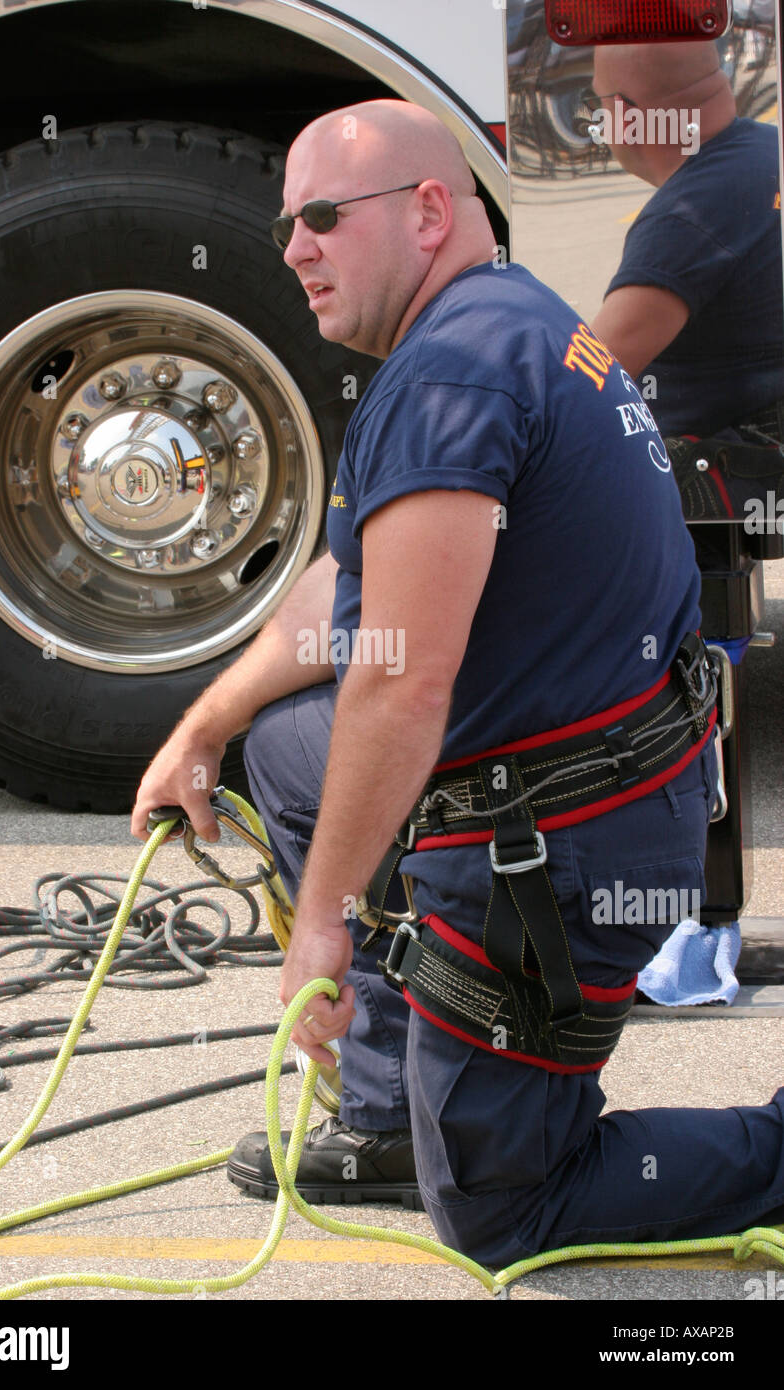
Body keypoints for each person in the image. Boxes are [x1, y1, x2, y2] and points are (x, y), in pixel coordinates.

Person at [131, 99, 784, 1269]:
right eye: (288, 224)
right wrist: (205, 723)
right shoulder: (509, 324)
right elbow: (354, 588)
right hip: (607, 787)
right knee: (284, 747)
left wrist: (320, 926)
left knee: (499, 1212)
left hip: (564, 843)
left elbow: (402, 682)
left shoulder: (453, 376)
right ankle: (392, 1109)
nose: (293, 249)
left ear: (430, 211)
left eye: (323, 217)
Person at [589, 41, 784, 444]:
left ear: (624, 115)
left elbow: (583, 380)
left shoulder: (683, 220)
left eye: (599, 104)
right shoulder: (771, 149)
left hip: (721, 487)